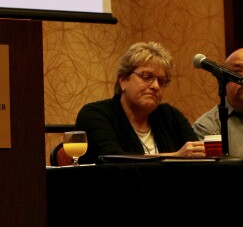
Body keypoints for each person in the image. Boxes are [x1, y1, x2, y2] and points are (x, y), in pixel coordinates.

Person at [74, 41, 206, 164]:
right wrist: (174, 157)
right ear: (123, 80)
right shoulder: (94, 114)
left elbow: (198, 156)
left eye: (161, 81)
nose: (155, 86)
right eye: (147, 77)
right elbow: (113, 160)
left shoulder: (170, 115)